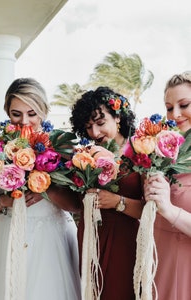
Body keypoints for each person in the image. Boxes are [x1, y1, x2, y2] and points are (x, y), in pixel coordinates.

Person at [0, 77, 81, 300]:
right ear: (7, 111)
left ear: (43, 111)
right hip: (4, 236)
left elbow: (76, 205)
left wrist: (47, 190)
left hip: (50, 240)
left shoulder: (62, 147)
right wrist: (5, 201)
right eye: (16, 113)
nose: (24, 121)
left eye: (32, 113)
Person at [70, 86, 144, 299]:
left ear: (118, 117)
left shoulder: (139, 152)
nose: (95, 133)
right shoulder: (86, 154)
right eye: (89, 127)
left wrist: (117, 202)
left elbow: (152, 211)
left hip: (124, 239)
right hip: (90, 235)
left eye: (100, 123)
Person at [143, 71, 191, 299]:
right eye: (169, 108)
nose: (176, 114)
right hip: (159, 259)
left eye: (184, 105)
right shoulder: (162, 152)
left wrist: (169, 209)